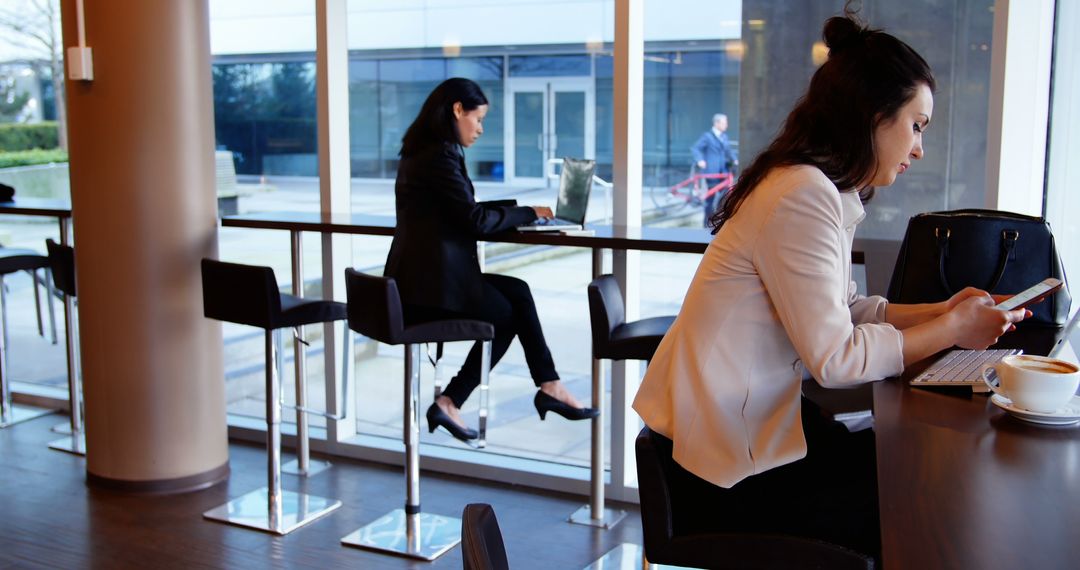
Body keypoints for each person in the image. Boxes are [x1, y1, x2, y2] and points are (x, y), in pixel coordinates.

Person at [632, 13, 1028, 560]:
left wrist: (944, 310)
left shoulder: (812, 186)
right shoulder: (803, 193)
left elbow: (846, 311)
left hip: (740, 436)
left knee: (913, 479)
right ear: (872, 115)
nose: (919, 148)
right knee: (919, 505)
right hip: (720, 469)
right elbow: (837, 359)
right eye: (916, 125)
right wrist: (951, 329)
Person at [384, 77, 598, 444]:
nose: (481, 128)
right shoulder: (439, 156)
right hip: (427, 291)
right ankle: (456, 399)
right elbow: (473, 221)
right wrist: (529, 212)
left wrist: (524, 212)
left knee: (518, 290)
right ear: (456, 110)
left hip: (421, 282)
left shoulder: (424, 152)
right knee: (506, 313)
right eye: (478, 119)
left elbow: (461, 211)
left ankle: (547, 384)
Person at [690, 113, 738, 226]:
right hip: (711, 172)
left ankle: (720, 221)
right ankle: (706, 222)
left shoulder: (724, 136)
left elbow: (728, 151)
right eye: (724, 122)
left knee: (725, 197)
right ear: (716, 123)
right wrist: (700, 160)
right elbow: (695, 148)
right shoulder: (707, 136)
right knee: (710, 198)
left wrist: (735, 159)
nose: (726, 125)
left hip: (723, 172)